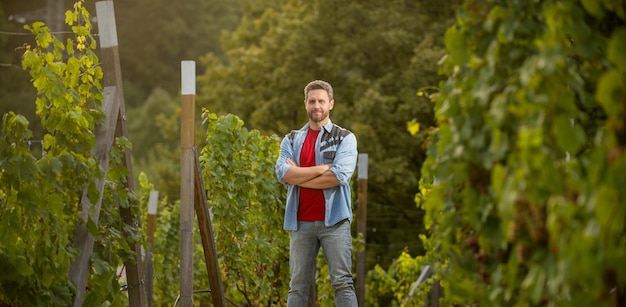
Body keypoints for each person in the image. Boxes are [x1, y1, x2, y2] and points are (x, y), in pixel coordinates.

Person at [275, 80, 358, 306]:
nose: (316, 106)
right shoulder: (291, 139)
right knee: (297, 286)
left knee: (342, 282)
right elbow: (283, 174)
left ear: (331, 104)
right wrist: (321, 169)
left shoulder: (345, 138)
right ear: (305, 104)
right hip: (300, 222)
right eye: (312, 101)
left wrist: (298, 175)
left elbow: (339, 177)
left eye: (321, 101)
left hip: (335, 222)